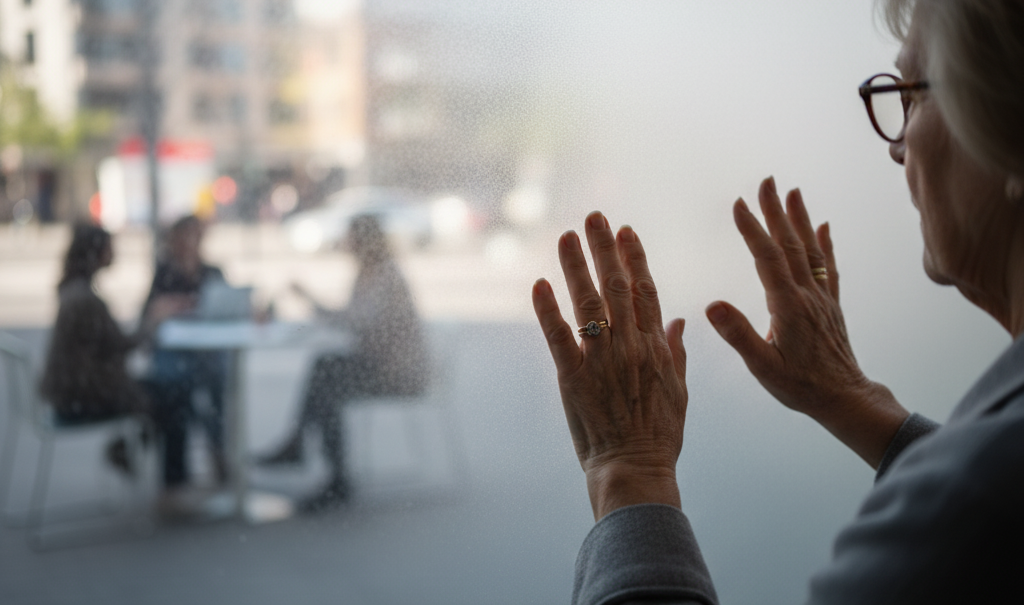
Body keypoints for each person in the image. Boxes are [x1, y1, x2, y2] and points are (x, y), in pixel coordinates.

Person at [532, 0, 1024, 603]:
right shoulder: (986, 486)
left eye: (914, 95)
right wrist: (855, 399)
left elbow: (985, 503)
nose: (897, 148)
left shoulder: (976, 503)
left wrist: (629, 472)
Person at [258, 214, 429, 511]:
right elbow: (356, 323)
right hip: (381, 364)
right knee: (326, 369)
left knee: (327, 377)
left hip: (400, 373)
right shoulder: (370, 272)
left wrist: (310, 300)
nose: (346, 243)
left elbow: (356, 321)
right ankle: (321, 465)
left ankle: (321, 465)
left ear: (363, 241)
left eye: (351, 237)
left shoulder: (384, 276)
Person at [39, 224, 185, 473]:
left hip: (71, 393)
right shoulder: (86, 300)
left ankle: (131, 451)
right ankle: (170, 477)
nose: (114, 253)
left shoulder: (74, 290)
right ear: (96, 253)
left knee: (165, 390)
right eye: (109, 248)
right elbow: (122, 346)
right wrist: (153, 320)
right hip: (83, 397)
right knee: (172, 395)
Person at [143, 215, 230, 487]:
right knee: (176, 387)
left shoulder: (211, 272)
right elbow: (149, 318)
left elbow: (227, 308)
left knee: (217, 380)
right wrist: (169, 308)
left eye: (196, 235)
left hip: (206, 350)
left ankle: (218, 450)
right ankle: (181, 472)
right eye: (186, 236)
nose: (191, 242)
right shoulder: (165, 273)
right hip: (175, 352)